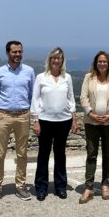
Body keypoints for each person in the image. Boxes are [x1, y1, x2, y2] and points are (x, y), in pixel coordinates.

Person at [0, 40, 35, 204]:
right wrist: (4, 108)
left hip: (23, 115)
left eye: (20, 51)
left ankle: (20, 186)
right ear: (8, 53)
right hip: (4, 115)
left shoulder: (29, 71)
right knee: (0, 153)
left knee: (22, 153)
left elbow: (31, 94)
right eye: (14, 52)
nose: (17, 54)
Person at [30, 47, 78, 201]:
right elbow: (35, 100)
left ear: (62, 61)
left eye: (59, 58)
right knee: (43, 155)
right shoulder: (41, 77)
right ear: (50, 60)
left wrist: (74, 119)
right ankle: (41, 187)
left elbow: (71, 99)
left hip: (64, 121)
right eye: (54, 58)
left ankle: (60, 186)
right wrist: (35, 121)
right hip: (44, 121)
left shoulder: (67, 77)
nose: (56, 61)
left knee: (60, 155)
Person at [79, 51, 109, 204]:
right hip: (91, 122)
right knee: (91, 154)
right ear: (96, 63)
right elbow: (83, 98)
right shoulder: (88, 77)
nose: (102, 64)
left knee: (107, 153)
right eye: (100, 61)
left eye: (105, 61)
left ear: (108, 63)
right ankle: (89, 187)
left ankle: (105, 184)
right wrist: (91, 114)